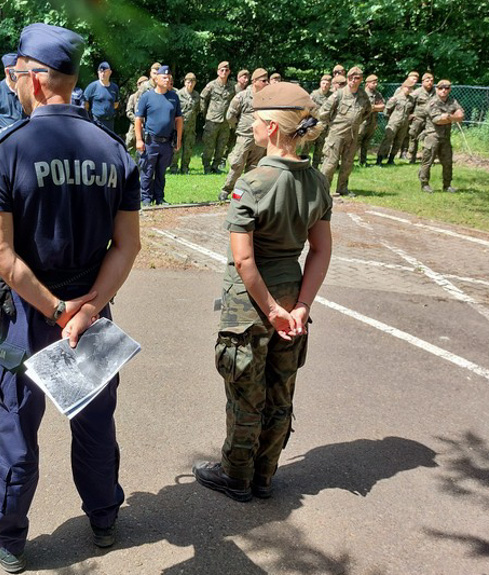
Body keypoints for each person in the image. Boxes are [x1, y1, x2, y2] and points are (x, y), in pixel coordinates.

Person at [0, 23, 140, 573]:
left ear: (39, 81)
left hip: (30, 312)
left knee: (19, 425)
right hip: (90, 313)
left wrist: (55, 309)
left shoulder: (7, 148)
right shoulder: (113, 150)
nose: (16, 83)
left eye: (20, 74)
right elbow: (128, 244)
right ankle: (104, 519)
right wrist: (87, 308)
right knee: (94, 422)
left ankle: (8, 538)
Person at [192, 81, 332, 503]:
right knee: (280, 391)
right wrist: (301, 306)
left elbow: (245, 261)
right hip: (292, 303)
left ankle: (236, 476)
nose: (250, 125)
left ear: (271, 127)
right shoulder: (316, 182)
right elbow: (321, 250)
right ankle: (265, 475)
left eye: (255, 119)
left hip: (252, 309)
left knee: (245, 395)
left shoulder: (251, 183)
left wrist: (270, 309)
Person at [317, 66, 371, 197]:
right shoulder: (339, 94)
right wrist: (332, 124)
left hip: (353, 135)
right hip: (336, 134)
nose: (353, 80)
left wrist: (355, 122)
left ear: (361, 80)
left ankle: (342, 188)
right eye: (350, 77)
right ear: (347, 79)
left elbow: (367, 111)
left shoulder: (363, 95)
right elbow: (323, 112)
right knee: (330, 163)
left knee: (347, 164)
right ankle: (323, 189)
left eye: (356, 78)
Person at [218, 68, 269, 202]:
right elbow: (230, 115)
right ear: (255, 81)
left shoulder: (266, 97)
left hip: (260, 138)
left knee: (254, 167)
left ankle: (247, 194)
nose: (267, 83)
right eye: (264, 81)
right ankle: (226, 190)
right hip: (245, 136)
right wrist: (238, 127)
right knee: (237, 164)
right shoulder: (242, 96)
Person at [135, 65, 183, 206]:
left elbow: (179, 119)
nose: (167, 80)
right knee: (148, 171)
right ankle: (146, 198)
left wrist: (178, 139)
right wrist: (139, 140)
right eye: (164, 77)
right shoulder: (147, 97)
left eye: (169, 77)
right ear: (156, 79)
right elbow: (138, 119)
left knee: (161, 172)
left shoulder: (173, 97)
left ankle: (159, 198)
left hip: (167, 142)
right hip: (151, 142)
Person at [419, 79, 463, 193]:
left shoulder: (452, 101)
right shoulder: (432, 102)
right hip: (433, 136)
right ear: (436, 89)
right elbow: (438, 120)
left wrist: (448, 117)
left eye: (447, 88)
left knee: (447, 162)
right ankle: (424, 184)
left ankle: (447, 185)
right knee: (427, 161)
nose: (444, 90)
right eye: (441, 88)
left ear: (450, 89)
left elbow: (461, 115)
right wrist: (453, 117)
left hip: (445, 137)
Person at [199, 61, 234, 174]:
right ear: (218, 71)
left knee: (221, 146)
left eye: (226, 70)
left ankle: (215, 166)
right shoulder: (211, 85)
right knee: (209, 145)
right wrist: (205, 115)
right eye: (222, 70)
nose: (224, 72)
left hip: (225, 122)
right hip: (212, 121)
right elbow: (203, 98)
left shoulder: (232, 86)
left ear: (229, 72)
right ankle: (206, 167)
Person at [376, 79, 415, 165]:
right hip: (394, 122)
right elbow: (387, 110)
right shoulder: (396, 98)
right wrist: (390, 119)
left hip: (404, 123)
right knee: (387, 140)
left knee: (399, 141)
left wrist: (410, 116)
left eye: (411, 88)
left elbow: (412, 110)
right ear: (403, 87)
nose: (409, 90)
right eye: (407, 88)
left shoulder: (411, 99)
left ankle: (391, 159)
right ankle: (379, 160)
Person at [170, 72, 200, 174]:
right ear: (185, 82)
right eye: (188, 82)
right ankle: (173, 167)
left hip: (191, 126)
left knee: (189, 147)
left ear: (195, 83)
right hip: (179, 125)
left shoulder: (196, 95)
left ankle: (185, 167)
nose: (190, 84)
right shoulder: (178, 95)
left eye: (192, 82)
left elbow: (197, 110)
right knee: (176, 146)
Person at [356, 74, 385, 166]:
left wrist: (372, 107)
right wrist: (374, 108)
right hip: (362, 121)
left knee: (366, 141)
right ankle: (349, 160)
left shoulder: (377, 94)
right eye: (373, 82)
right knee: (357, 141)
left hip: (372, 121)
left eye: (376, 82)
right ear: (367, 83)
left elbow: (382, 107)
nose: (375, 84)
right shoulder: (361, 94)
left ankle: (363, 161)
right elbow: (360, 107)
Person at [83, 61, 120, 131]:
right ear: (98, 72)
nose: (103, 74)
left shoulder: (114, 88)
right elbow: (85, 104)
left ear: (110, 72)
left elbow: (115, 104)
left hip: (110, 122)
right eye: (101, 72)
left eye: (105, 72)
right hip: (96, 122)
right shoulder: (92, 87)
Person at [407, 72, 435, 164]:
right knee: (413, 137)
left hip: (430, 120)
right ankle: (411, 158)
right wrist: (410, 114)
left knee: (429, 139)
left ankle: (427, 159)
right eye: (427, 81)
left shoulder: (436, 92)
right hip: (418, 119)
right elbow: (408, 103)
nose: (430, 82)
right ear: (423, 82)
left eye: (431, 81)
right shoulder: (417, 92)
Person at [306, 74, 332, 168]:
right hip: (313, 124)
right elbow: (308, 107)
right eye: (323, 83)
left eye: (327, 84)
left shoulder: (332, 96)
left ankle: (315, 167)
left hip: (324, 126)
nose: (325, 85)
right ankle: (303, 165)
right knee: (307, 146)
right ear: (320, 83)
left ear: (330, 85)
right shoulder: (314, 94)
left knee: (319, 148)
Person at [124, 75, 149, 154]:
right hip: (134, 125)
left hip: (146, 126)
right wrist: (136, 120)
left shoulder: (149, 97)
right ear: (138, 85)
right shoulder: (133, 97)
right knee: (129, 144)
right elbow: (129, 111)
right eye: (143, 84)